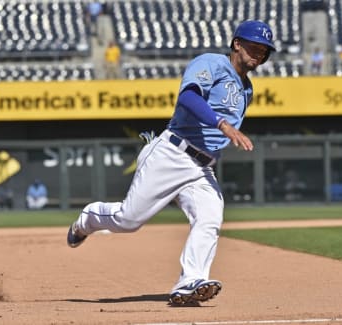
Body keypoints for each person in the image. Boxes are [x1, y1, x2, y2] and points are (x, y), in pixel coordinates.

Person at [66, 20, 275, 306]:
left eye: (264, 50)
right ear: (237, 43)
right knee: (128, 220)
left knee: (210, 217)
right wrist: (222, 124)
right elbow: (188, 97)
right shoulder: (211, 63)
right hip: (172, 154)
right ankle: (89, 218)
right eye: (254, 45)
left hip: (201, 167)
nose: (259, 53)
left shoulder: (246, 90)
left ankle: (190, 281)